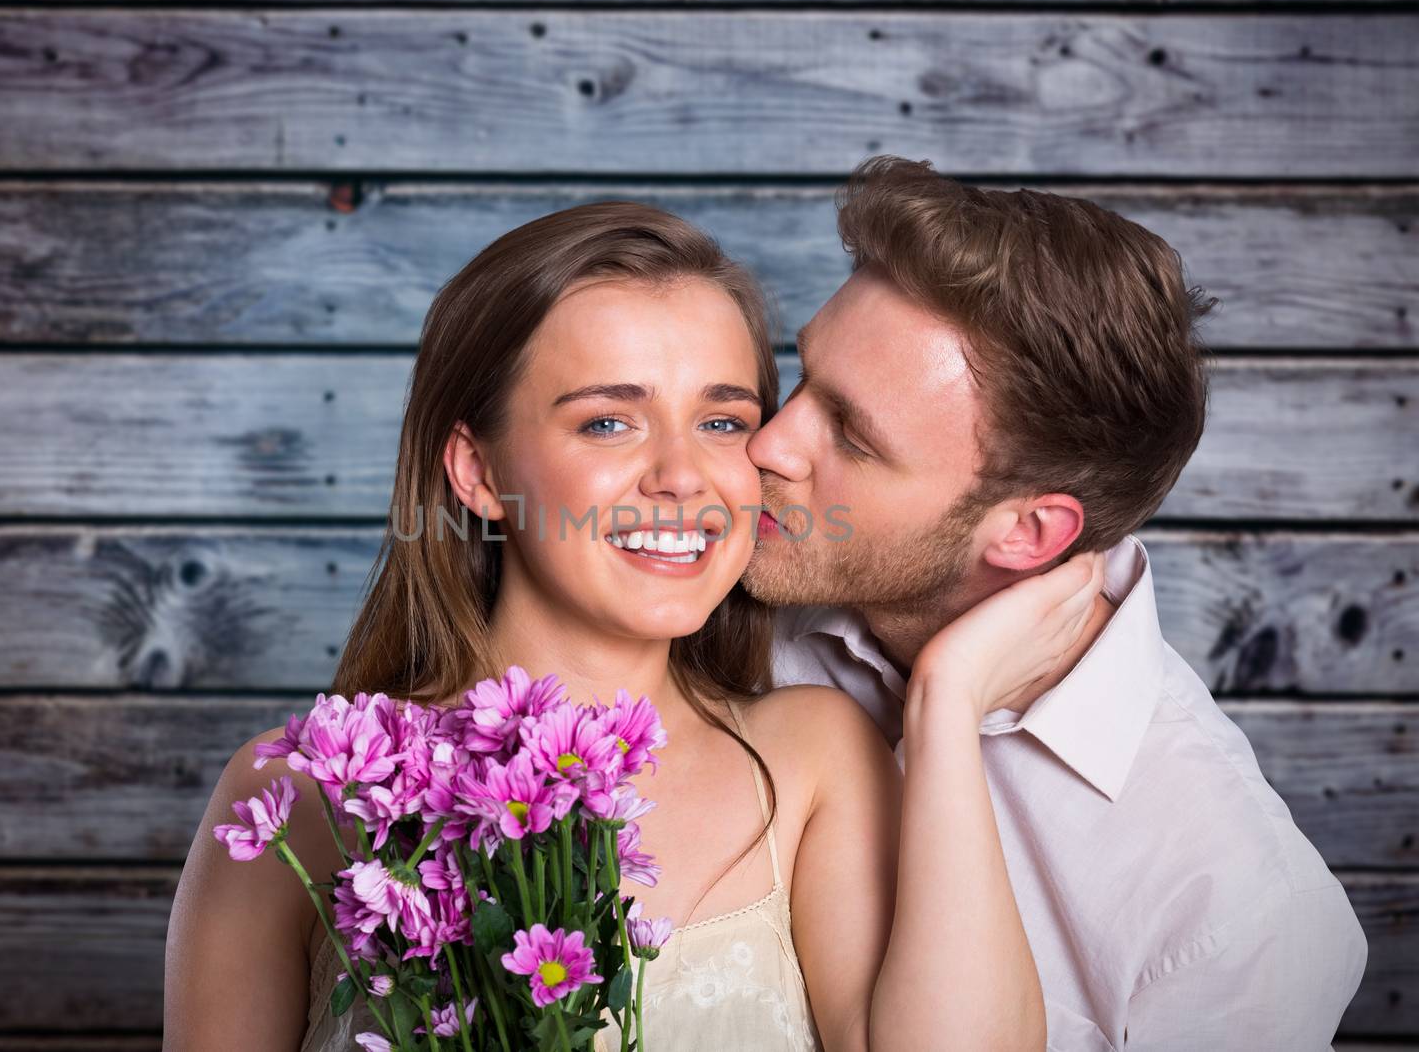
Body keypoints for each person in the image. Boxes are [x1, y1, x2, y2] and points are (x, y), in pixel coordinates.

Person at [165, 200, 1108, 1051]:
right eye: (609, 424)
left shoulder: (814, 760)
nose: (682, 477)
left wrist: (944, 703)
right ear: (477, 471)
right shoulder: (293, 802)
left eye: (725, 421)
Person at [746, 156, 1369, 1051]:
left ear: (1030, 533)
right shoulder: (727, 595)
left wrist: (944, 700)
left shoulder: (1240, 915)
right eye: (802, 380)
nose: (769, 445)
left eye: (851, 433)